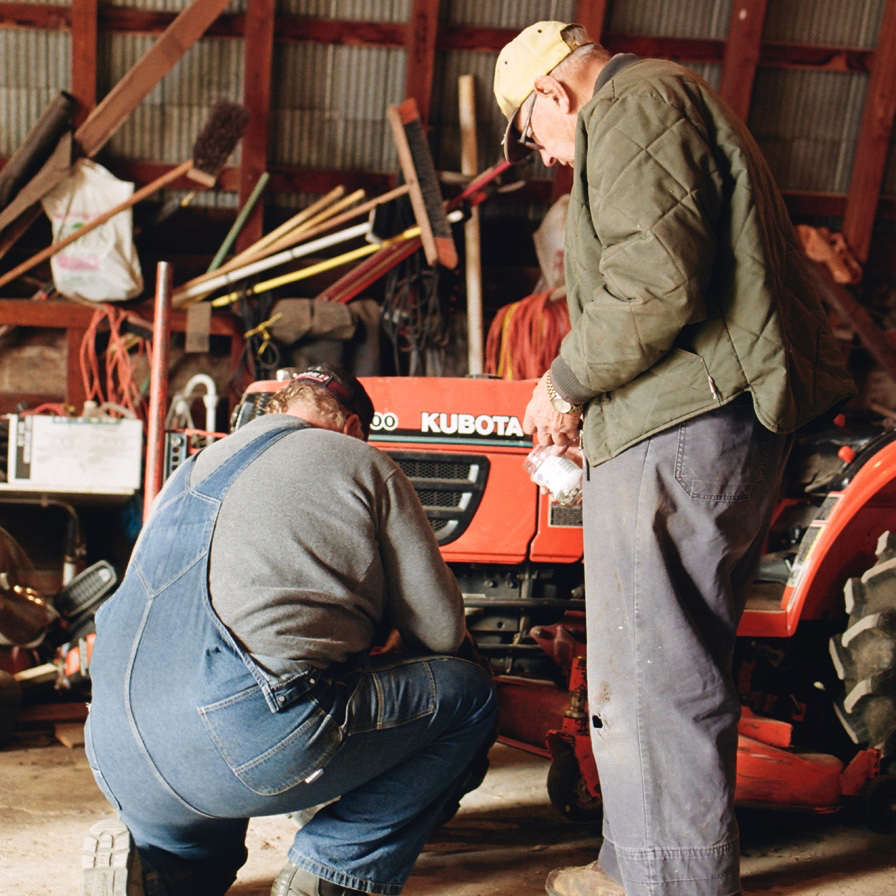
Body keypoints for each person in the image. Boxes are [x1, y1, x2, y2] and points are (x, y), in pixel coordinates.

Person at [493, 21, 855, 896]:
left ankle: (676, 886)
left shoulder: (633, 103)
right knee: (641, 664)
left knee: (657, 674)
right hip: (680, 419)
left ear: (551, 94)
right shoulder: (650, 103)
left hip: (684, 423)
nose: (544, 157)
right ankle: (639, 867)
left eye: (530, 137)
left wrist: (566, 384)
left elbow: (658, 278)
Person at [82, 363, 497, 896]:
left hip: (115, 745)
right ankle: (334, 869)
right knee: (468, 694)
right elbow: (440, 632)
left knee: (204, 814)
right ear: (350, 428)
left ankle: (163, 867)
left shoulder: (187, 471)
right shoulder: (360, 459)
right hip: (241, 739)